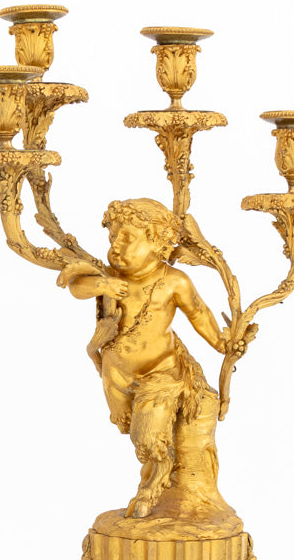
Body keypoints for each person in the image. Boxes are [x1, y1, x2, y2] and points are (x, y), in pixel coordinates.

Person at [62, 198, 232, 520]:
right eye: (112, 237)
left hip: (160, 372)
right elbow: (76, 285)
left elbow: (199, 313)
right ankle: (157, 477)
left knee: (149, 435)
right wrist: (102, 284)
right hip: (116, 374)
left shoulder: (174, 281)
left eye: (127, 238)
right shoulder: (110, 275)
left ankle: (153, 488)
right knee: (136, 435)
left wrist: (223, 343)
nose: (116, 246)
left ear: (156, 242)